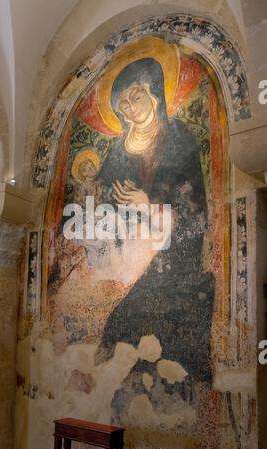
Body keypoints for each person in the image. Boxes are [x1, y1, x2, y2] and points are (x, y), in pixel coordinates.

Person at [95, 57, 215, 385]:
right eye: (123, 104)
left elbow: (194, 210)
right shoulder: (118, 152)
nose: (131, 108)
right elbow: (104, 200)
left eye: (136, 96)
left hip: (174, 255)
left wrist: (147, 205)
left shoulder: (179, 137)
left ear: (155, 95)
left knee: (134, 321)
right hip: (128, 253)